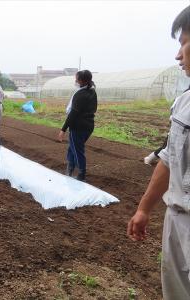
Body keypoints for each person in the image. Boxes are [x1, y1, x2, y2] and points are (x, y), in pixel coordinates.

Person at [127, 6, 190, 299]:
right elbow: (169, 158)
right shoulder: (183, 104)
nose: (178, 56)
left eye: (184, 43)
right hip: (177, 219)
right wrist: (144, 208)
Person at [57, 70, 97, 182]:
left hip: (78, 127)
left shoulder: (80, 94)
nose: (75, 81)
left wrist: (63, 130)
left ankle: (81, 174)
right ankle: (69, 170)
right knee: (72, 148)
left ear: (81, 80)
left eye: (77, 79)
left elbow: (73, 114)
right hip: (89, 126)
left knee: (77, 151)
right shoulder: (92, 91)